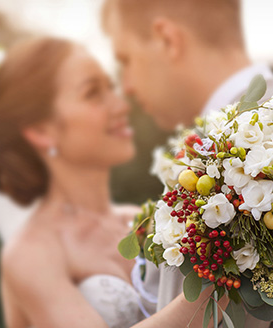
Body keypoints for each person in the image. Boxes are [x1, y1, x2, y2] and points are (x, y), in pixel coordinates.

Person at [0, 37, 225, 328]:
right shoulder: (30, 254)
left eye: (112, 88)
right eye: (93, 93)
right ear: (41, 130)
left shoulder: (140, 222)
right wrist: (218, 284)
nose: (120, 105)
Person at [102, 0, 273, 327]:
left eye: (125, 60)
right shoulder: (209, 151)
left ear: (167, 38)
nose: (127, 88)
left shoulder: (254, 146)